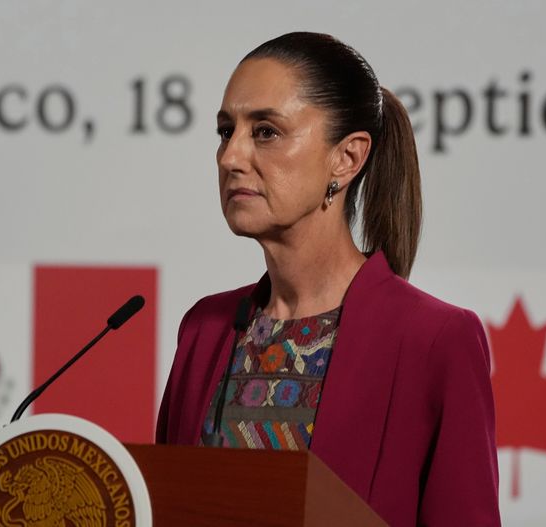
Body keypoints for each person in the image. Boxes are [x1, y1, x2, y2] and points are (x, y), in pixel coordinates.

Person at [156, 32, 501, 526]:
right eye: (225, 130)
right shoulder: (203, 330)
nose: (230, 157)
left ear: (347, 158)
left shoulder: (435, 340)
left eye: (266, 131)